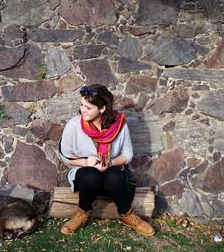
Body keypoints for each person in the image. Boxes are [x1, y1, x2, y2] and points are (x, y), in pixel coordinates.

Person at [59, 84, 154, 237]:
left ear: (102, 108)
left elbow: (128, 155)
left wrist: (109, 163)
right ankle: (82, 213)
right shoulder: (74, 125)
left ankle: (128, 215)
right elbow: (64, 156)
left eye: (88, 108)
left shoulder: (119, 124)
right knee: (90, 174)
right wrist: (85, 162)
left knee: (113, 175)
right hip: (87, 181)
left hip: (113, 182)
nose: (83, 110)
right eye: (82, 105)